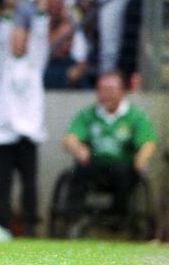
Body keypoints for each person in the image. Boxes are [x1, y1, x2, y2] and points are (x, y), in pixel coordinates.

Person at [62, 72, 157, 225]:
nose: (105, 94)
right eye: (101, 90)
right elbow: (70, 137)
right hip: (94, 167)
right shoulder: (88, 115)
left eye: (111, 90)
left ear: (122, 92)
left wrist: (141, 158)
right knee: (78, 170)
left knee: (126, 173)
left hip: (122, 169)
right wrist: (78, 148)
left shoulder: (135, 117)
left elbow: (147, 142)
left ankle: (118, 219)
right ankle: (72, 218)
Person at [0, 0, 50, 236]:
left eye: (21, 38)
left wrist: (41, 14)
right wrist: (6, 14)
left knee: (29, 186)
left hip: (29, 134)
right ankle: (1, 229)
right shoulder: (2, 65)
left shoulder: (35, 63)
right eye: (13, 38)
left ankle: (31, 230)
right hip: (4, 135)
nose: (17, 42)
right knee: (2, 186)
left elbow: (40, 38)